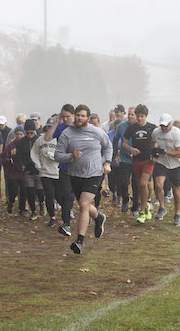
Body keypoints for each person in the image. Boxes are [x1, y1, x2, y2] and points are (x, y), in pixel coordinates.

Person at [53, 104, 112, 254]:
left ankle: (79, 241)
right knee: (83, 205)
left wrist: (107, 163)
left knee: (84, 205)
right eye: (78, 115)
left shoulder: (97, 132)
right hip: (75, 175)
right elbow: (57, 155)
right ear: (74, 116)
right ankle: (99, 218)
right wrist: (71, 156)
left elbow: (108, 147)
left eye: (83, 116)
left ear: (88, 118)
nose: (79, 118)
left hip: (94, 173)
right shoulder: (67, 134)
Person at [123, 104, 156, 223]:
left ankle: (141, 212)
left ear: (146, 116)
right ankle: (146, 205)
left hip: (149, 159)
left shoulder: (152, 127)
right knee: (140, 185)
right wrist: (131, 149)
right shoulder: (131, 128)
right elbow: (124, 143)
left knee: (143, 183)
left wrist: (154, 154)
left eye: (142, 116)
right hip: (137, 160)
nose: (140, 119)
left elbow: (156, 142)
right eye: (138, 116)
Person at [48, 104, 76, 236]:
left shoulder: (79, 128)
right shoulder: (60, 127)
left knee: (79, 197)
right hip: (64, 166)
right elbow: (48, 138)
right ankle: (67, 222)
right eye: (63, 116)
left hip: (79, 168)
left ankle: (68, 223)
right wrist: (56, 122)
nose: (65, 119)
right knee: (62, 195)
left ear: (73, 115)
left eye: (68, 117)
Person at [152, 113, 180, 226]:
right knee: (159, 185)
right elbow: (153, 142)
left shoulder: (177, 134)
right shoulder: (156, 132)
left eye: (166, 126)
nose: (164, 128)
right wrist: (155, 151)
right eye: (162, 126)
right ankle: (162, 207)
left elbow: (179, 153)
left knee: (176, 191)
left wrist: (165, 152)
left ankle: (177, 213)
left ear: (170, 124)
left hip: (175, 165)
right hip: (162, 163)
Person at [31, 118, 60, 227]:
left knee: (60, 195)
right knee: (48, 195)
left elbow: (67, 154)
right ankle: (52, 217)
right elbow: (34, 153)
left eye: (52, 126)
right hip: (45, 172)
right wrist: (38, 165)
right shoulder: (40, 140)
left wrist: (56, 157)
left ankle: (65, 213)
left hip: (58, 171)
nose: (50, 128)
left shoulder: (60, 139)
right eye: (48, 126)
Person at [16, 119, 43, 218]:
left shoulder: (39, 140)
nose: (29, 134)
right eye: (27, 132)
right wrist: (22, 166)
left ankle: (41, 204)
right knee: (30, 192)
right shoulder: (21, 142)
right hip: (27, 171)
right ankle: (33, 211)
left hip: (38, 170)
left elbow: (43, 154)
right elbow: (17, 157)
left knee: (40, 191)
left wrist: (41, 166)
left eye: (31, 132)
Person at [113, 105, 134, 213]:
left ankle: (136, 204)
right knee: (124, 182)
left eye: (132, 114)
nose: (130, 116)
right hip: (124, 158)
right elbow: (115, 141)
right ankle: (125, 200)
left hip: (137, 159)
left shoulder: (140, 126)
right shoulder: (121, 126)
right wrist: (116, 154)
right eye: (129, 114)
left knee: (136, 183)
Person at [3, 127, 27, 215]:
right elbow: (4, 158)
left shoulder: (26, 144)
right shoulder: (10, 146)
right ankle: (11, 202)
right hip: (12, 173)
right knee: (13, 192)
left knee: (23, 192)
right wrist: (9, 161)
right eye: (17, 134)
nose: (19, 136)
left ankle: (22, 209)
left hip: (23, 173)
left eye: (21, 134)